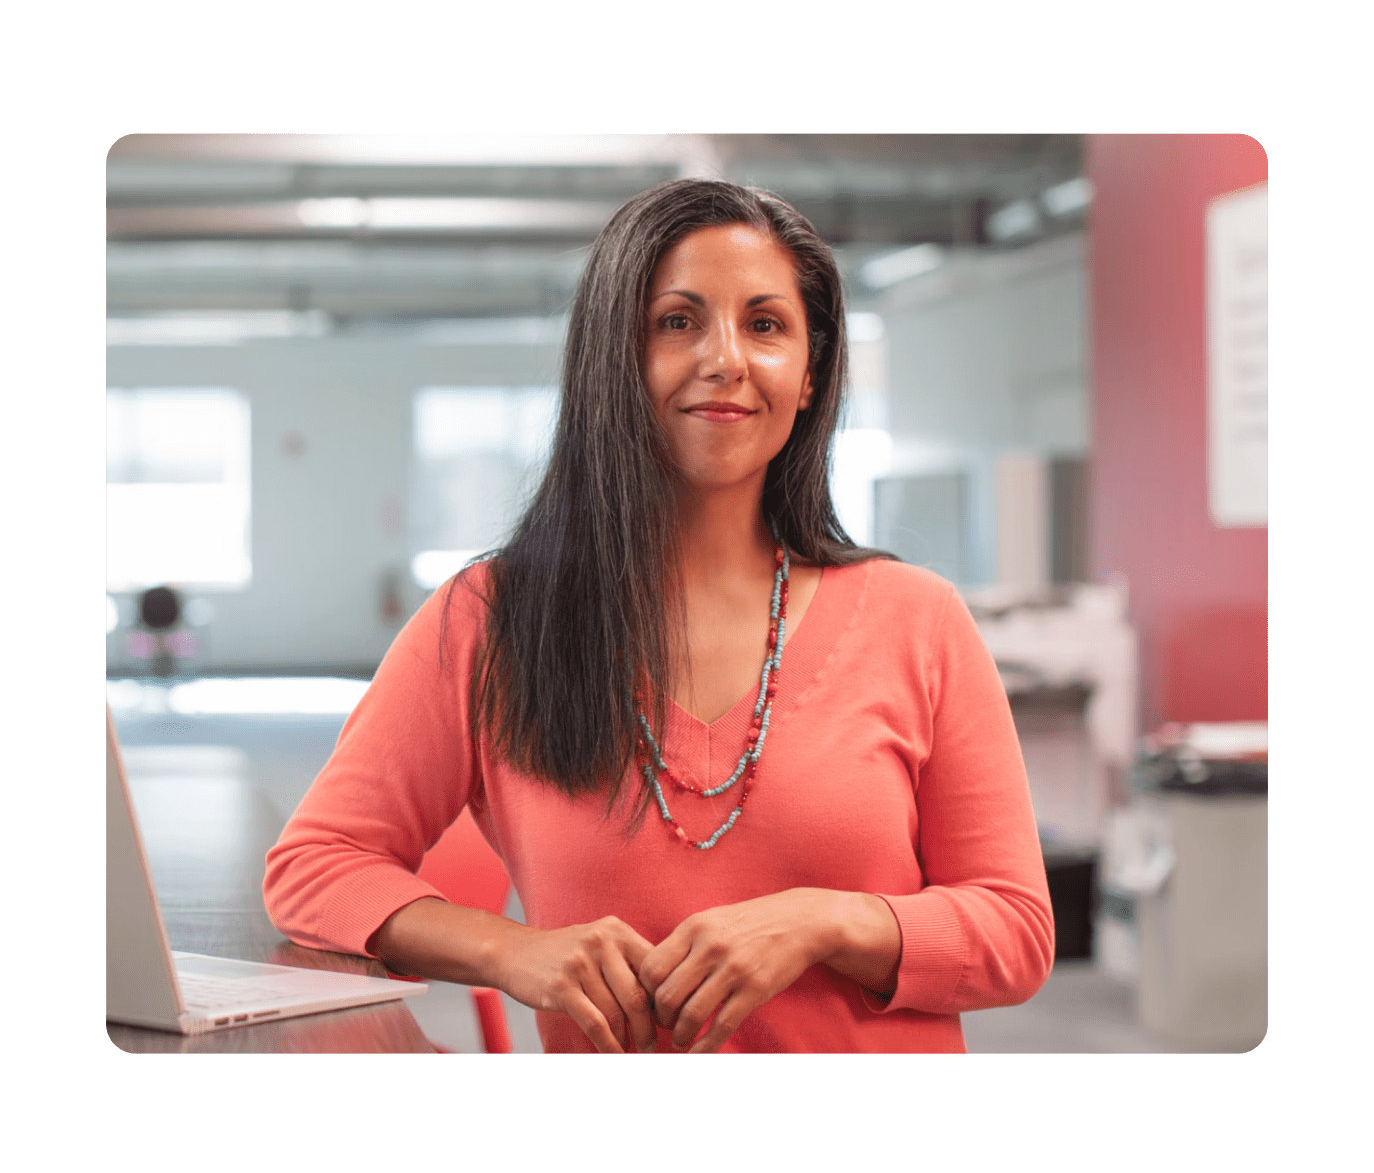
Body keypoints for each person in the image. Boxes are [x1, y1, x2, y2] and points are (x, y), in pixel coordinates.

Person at [264, 179, 1054, 1054]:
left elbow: (1016, 932)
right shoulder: (489, 622)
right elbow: (313, 868)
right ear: (615, 360)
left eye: (766, 325)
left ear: (809, 375)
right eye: (678, 321)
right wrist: (510, 950)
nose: (727, 359)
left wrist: (827, 924)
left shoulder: (920, 620)